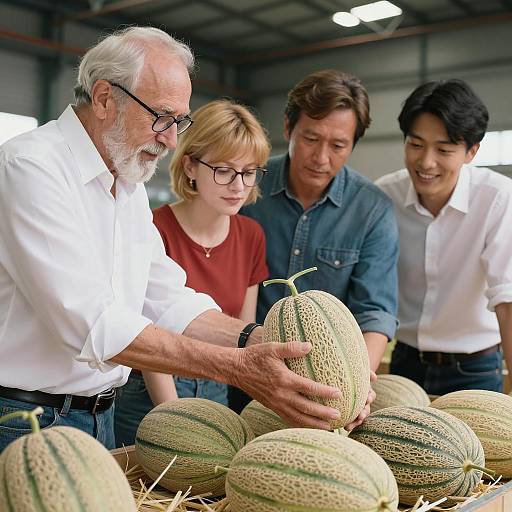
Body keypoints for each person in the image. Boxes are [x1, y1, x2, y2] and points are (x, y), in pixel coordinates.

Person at [0, 27, 353, 453]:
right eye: (162, 117)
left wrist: (259, 341)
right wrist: (237, 367)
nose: (170, 138)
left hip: (98, 417)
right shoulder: (30, 168)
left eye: (178, 121)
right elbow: (92, 323)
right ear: (105, 98)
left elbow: (167, 297)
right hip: (25, 421)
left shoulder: (125, 183)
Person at [232, 69, 399, 412]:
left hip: (325, 388)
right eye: (310, 138)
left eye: (338, 145)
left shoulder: (372, 208)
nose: (322, 157)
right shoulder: (247, 185)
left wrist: (356, 386)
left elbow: (375, 311)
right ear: (288, 128)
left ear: (353, 144)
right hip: (243, 372)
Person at [114, 99, 270, 446]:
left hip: (219, 385)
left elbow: (243, 330)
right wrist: (175, 418)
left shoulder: (251, 235)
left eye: (249, 172)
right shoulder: (154, 226)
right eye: (225, 170)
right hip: (149, 391)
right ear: (190, 166)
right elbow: (147, 331)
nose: (239, 186)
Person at [376, 79, 512, 395]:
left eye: (444, 149)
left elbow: (507, 299)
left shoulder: (497, 199)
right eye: (416, 144)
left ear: (471, 151)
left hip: (474, 369)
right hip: (404, 364)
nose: (426, 163)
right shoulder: (384, 196)